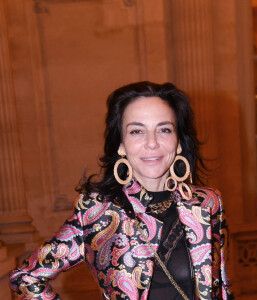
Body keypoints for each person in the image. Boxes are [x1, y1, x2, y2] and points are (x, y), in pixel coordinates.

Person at [10, 81, 233, 299]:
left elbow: (221, 286)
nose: (152, 143)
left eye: (164, 129)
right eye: (137, 131)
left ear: (179, 142)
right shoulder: (98, 211)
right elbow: (26, 278)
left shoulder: (207, 202)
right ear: (121, 144)